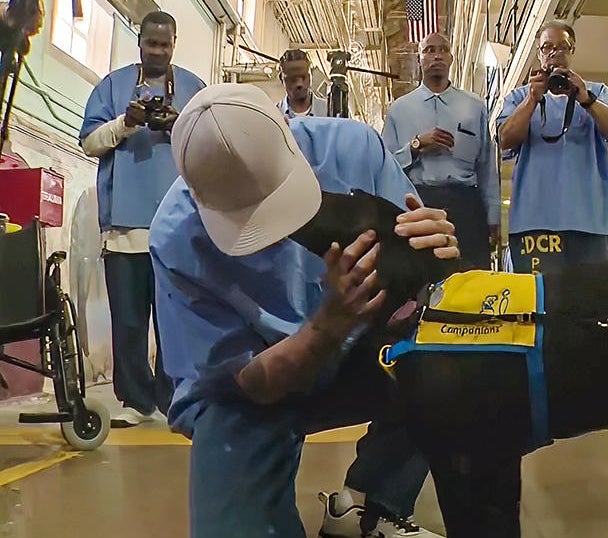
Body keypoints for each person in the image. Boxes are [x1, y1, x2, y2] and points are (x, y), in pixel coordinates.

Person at [150, 84, 448, 538]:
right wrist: (326, 327)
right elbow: (245, 382)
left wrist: (440, 250)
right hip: (259, 386)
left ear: (291, 130)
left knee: (452, 352)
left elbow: (424, 275)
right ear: (195, 193)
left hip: (365, 351)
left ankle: (371, 506)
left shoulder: (353, 150)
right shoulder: (175, 242)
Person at [79, 10, 206, 427]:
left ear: (174, 43)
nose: (158, 51)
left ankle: (174, 400)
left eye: (165, 44)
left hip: (178, 229)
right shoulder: (112, 87)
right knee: (129, 321)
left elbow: (211, 146)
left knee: (174, 321)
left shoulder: (193, 90)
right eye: (151, 43)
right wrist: (126, 123)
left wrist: (180, 127)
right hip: (124, 228)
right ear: (140, 42)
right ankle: (135, 400)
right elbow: (89, 143)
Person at [496, 19, 608, 274]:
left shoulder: (597, 92)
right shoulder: (520, 96)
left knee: (587, 300)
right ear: (538, 53)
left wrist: (585, 99)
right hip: (532, 222)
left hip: (588, 222)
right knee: (538, 300)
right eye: (547, 47)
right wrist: (532, 100)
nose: (554, 53)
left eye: (562, 47)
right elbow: (505, 139)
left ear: (573, 51)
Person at [382, 33, 499, 269]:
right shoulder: (399, 110)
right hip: (420, 202)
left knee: (471, 276)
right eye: (429, 50)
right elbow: (386, 166)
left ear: (451, 58)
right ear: (420, 58)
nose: (436, 55)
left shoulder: (475, 107)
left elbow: (487, 165)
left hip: (466, 204)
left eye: (443, 50)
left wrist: (494, 216)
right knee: (422, 277)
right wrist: (416, 145)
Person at [278, 48, 329, 118]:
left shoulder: (330, 112)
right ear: (281, 79)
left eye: (303, 77)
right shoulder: (273, 114)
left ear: (311, 76)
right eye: (293, 79)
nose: (299, 84)